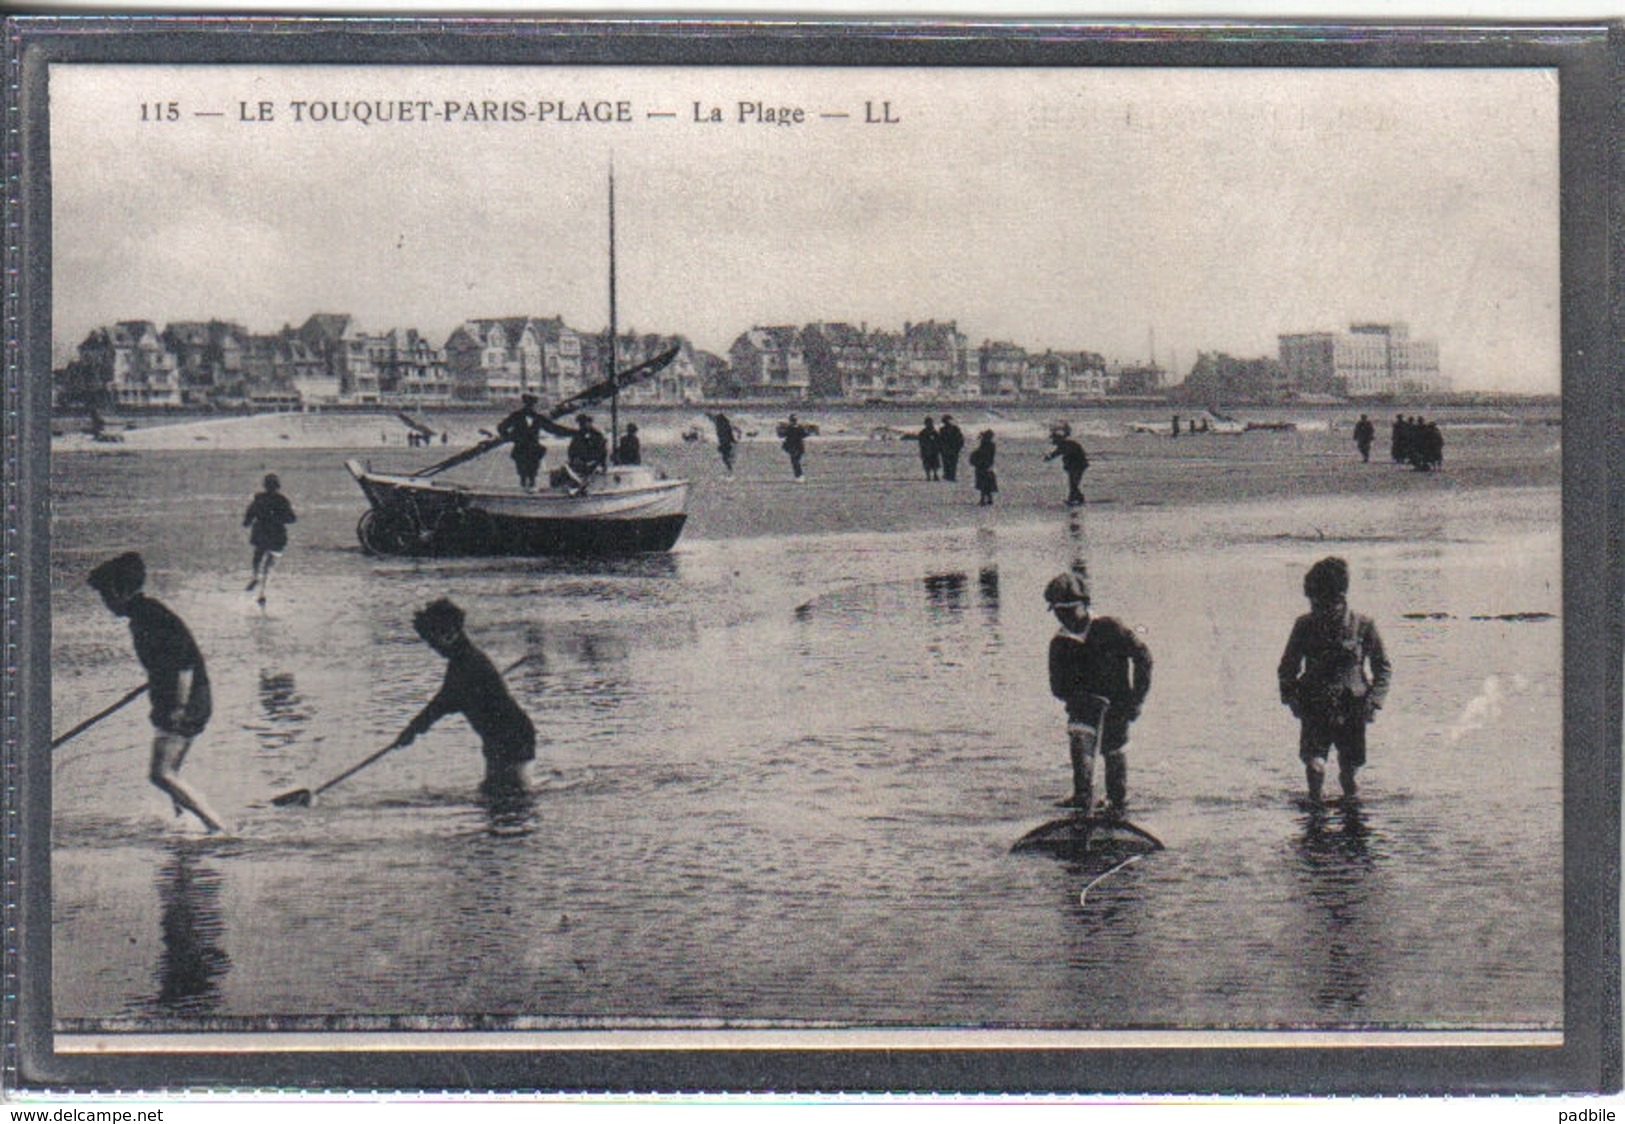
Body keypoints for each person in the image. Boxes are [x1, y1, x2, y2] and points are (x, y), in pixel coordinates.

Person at [87, 551, 228, 834]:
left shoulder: (151, 617)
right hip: (185, 698)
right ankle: (186, 822)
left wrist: (178, 706)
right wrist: (153, 683)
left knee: (161, 774)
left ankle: (216, 827)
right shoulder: (145, 614)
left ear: (121, 590)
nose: (106, 604)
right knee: (170, 772)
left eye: (106, 596)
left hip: (187, 701)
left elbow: (184, 663)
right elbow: (167, 661)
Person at [393, 598, 537, 798]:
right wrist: (412, 730)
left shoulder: (466, 665)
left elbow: (438, 706)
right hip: (500, 739)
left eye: (432, 640)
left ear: (449, 633)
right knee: (497, 795)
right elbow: (444, 703)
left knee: (504, 798)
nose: (433, 647)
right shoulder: (465, 662)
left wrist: (411, 731)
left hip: (511, 738)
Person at [1278, 556, 1392, 806]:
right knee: (1315, 765)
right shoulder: (1304, 625)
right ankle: (1315, 812)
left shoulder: (1363, 626)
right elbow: (1287, 668)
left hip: (1353, 708)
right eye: (1313, 602)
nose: (1317, 608)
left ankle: (1352, 819)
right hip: (1314, 707)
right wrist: (1292, 699)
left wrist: (1374, 702)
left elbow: (1383, 668)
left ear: (1340, 599)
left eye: (1322, 603)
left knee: (1350, 774)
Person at [1045, 569, 1152, 816]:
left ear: (1085, 605)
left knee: (1114, 751)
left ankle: (1117, 804)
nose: (1065, 618)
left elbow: (1144, 658)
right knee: (1080, 741)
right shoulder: (1060, 643)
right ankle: (1082, 798)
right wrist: (1082, 698)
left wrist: (1136, 701)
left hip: (1117, 706)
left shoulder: (1111, 628)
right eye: (1059, 612)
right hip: (1083, 708)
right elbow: (1058, 687)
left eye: (1070, 610)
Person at [242, 473, 296, 605]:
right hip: (277, 535)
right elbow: (292, 518)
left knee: (258, 557)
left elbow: (248, 518)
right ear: (278, 486)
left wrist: (249, 522)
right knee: (269, 564)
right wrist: (278, 519)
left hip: (261, 533)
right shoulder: (282, 500)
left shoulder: (258, 500)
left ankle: (255, 576)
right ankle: (262, 593)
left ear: (265, 486)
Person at [539, 412, 609, 486]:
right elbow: (571, 450)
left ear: (590, 422)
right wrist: (574, 459)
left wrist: (599, 464)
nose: (582, 425)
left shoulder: (597, 436)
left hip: (591, 465)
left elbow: (601, 452)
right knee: (559, 473)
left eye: (584, 422)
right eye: (581, 423)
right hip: (578, 464)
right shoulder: (578, 435)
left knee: (575, 475)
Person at [496, 393, 547, 490]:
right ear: (525, 403)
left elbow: (553, 428)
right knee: (522, 473)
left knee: (533, 473)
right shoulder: (516, 416)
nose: (530, 406)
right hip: (521, 449)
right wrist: (511, 437)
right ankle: (524, 489)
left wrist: (574, 432)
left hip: (534, 450)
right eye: (529, 404)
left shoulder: (538, 417)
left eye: (531, 404)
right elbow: (501, 427)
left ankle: (531, 490)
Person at [1043, 424, 1090, 506]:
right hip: (1076, 466)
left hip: (1078, 466)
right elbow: (1056, 453)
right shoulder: (1066, 444)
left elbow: (1057, 453)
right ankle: (1074, 499)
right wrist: (1049, 457)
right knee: (1073, 483)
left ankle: (1077, 499)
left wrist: (1049, 458)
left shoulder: (1067, 445)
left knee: (1073, 483)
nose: (1054, 442)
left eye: (1055, 440)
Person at [778, 413, 811, 482]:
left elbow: (781, 435)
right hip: (799, 447)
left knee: (795, 461)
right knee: (796, 461)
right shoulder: (799, 427)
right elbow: (805, 435)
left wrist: (779, 428)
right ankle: (799, 476)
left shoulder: (789, 428)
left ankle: (799, 476)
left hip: (792, 447)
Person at [968, 429, 998, 505]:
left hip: (982, 466)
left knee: (983, 483)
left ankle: (983, 499)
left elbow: (983, 454)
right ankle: (988, 498)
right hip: (986, 465)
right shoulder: (990, 445)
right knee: (986, 483)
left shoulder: (986, 445)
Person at [937, 415, 965, 482]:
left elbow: (960, 438)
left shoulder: (955, 429)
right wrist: (940, 448)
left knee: (953, 463)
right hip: (945, 450)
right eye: (945, 421)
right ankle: (947, 475)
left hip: (954, 449)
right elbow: (940, 440)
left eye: (947, 420)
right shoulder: (942, 430)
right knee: (946, 463)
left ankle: (952, 475)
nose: (946, 422)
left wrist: (958, 447)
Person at [916, 416, 941, 480]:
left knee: (935, 464)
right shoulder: (923, 432)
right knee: (927, 464)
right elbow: (921, 442)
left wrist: (938, 447)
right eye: (928, 423)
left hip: (934, 451)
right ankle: (928, 475)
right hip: (926, 451)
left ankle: (935, 474)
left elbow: (938, 441)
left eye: (930, 422)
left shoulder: (935, 432)